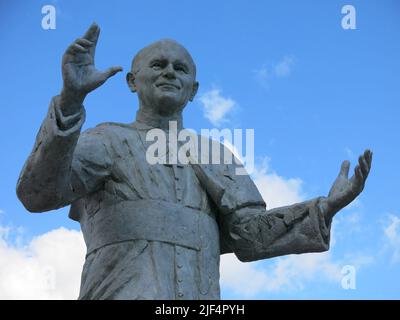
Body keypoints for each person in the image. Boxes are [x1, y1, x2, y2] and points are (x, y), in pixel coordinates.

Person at [16, 23, 372, 300]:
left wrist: (326, 207)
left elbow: (250, 237)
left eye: (180, 68)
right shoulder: (105, 140)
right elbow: (37, 194)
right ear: (131, 82)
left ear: (194, 89)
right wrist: (70, 101)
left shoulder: (217, 156)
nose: (170, 72)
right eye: (158, 65)